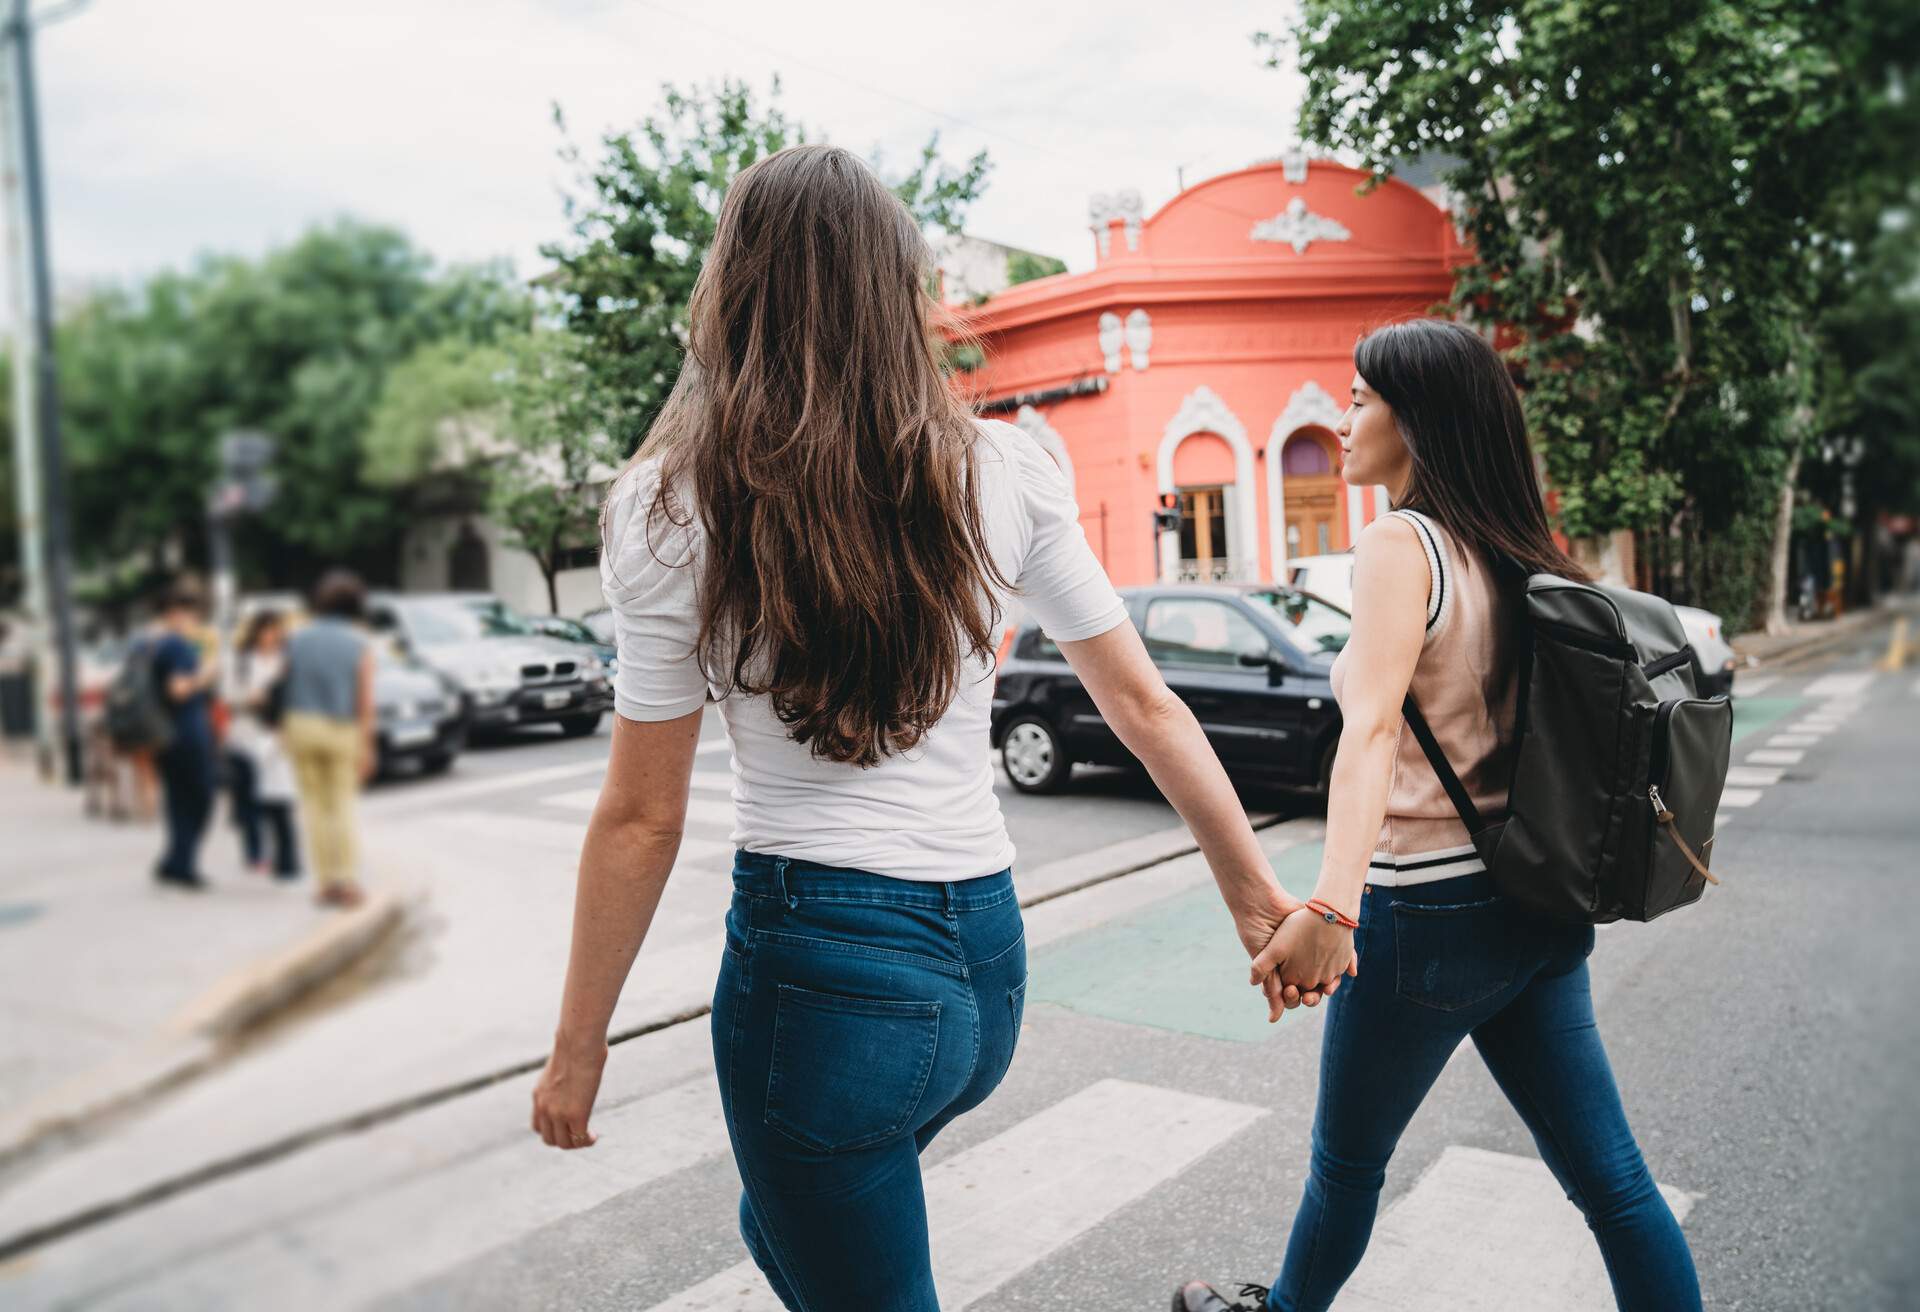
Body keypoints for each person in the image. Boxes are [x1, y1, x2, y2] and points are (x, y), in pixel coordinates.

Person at [528, 144, 1337, 1311]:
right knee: (786, 1218)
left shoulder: (669, 506)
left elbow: (642, 814)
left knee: (831, 1226)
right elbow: (1143, 701)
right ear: (899, 293)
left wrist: (579, 1047)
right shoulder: (1007, 466)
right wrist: (1254, 894)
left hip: (823, 980)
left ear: (732, 291)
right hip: (985, 969)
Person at [1177, 319, 1702, 1312]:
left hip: (1429, 919)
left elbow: (1369, 731)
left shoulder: (1398, 542)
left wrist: (1333, 911)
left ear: (1416, 421)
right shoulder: (1511, 550)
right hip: (1537, 907)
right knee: (1616, 1185)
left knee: (1346, 1169)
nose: (1344, 414)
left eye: (1362, 397)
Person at [281, 571, 375, 909]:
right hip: (340, 728)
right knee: (341, 806)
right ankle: (347, 881)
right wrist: (368, 746)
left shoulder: (296, 638)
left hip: (301, 724)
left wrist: (283, 731)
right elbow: (364, 700)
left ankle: (324, 884)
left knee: (314, 808)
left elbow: (285, 686)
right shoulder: (359, 642)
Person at [149, 583, 219, 889]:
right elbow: (178, 689)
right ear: (177, 613)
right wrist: (206, 673)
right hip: (187, 731)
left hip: (162, 732)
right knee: (201, 797)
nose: (195, 621)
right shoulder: (177, 646)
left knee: (177, 799)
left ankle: (174, 862)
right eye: (192, 614)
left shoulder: (151, 643)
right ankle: (183, 864)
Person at [225, 608, 300, 880]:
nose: (271, 635)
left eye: (276, 629)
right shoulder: (242, 661)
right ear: (256, 632)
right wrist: (249, 697)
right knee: (248, 799)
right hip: (244, 735)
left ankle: (284, 855)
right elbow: (227, 695)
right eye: (265, 629)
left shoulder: (287, 660)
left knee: (278, 797)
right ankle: (254, 852)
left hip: (276, 737)